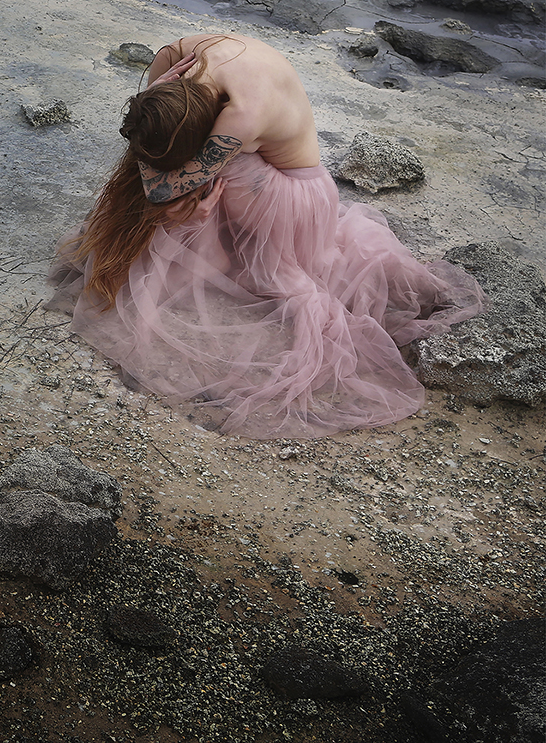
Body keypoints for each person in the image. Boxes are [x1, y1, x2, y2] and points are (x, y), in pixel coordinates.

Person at [49, 33, 484, 439]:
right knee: (192, 167)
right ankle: (220, 244)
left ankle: (223, 255)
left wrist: (170, 181)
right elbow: (150, 125)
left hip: (294, 195)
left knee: (215, 178)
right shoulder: (176, 57)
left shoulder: (240, 114)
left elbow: (159, 188)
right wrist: (149, 104)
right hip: (264, 180)